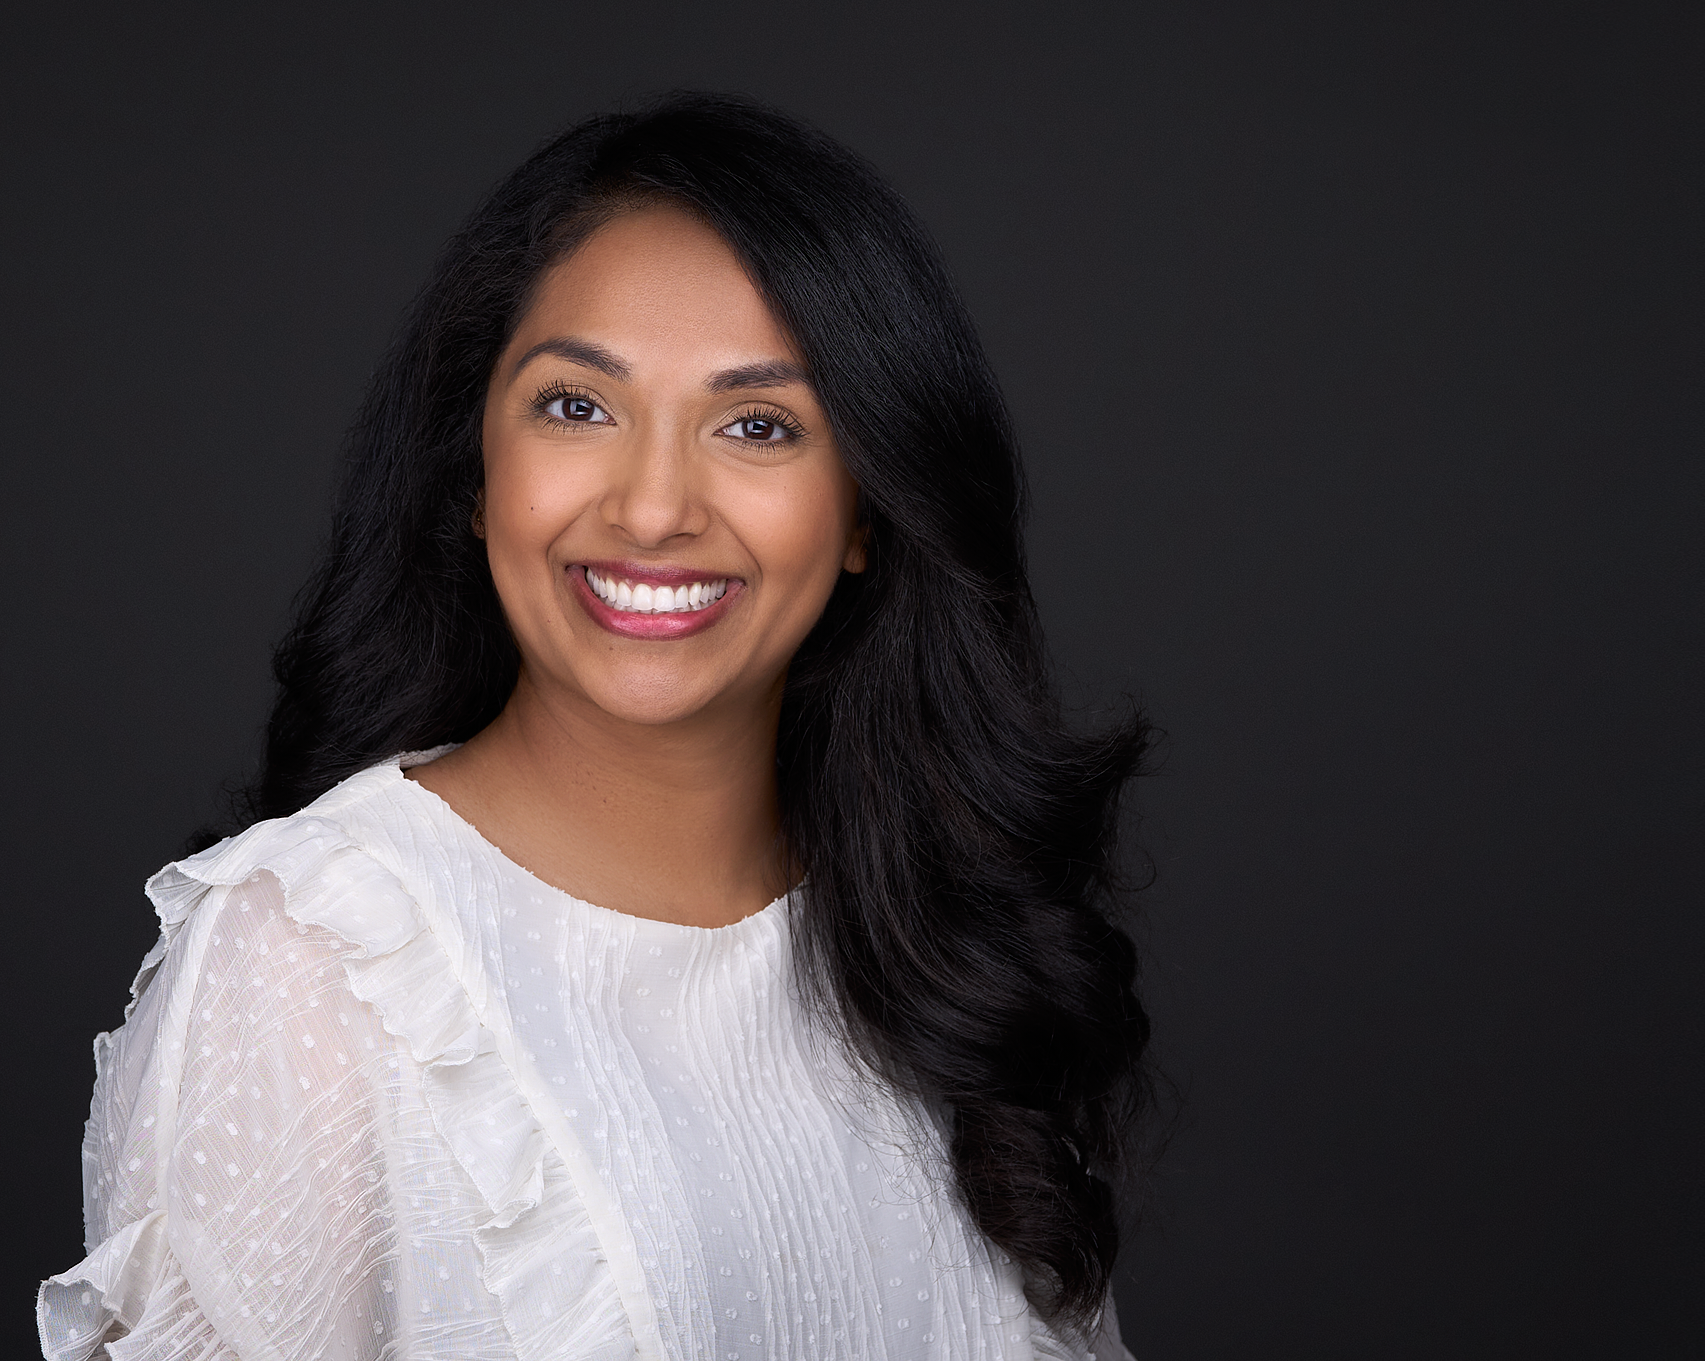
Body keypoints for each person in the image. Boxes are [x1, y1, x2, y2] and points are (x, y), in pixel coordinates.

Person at [38, 92, 1150, 1361]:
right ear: (473, 472)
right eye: (578, 405)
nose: (654, 505)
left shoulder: (943, 946)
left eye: (756, 424)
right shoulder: (314, 960)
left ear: (864, 512)